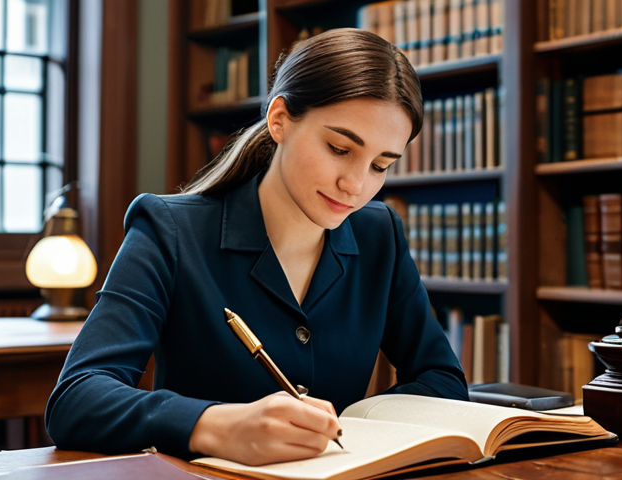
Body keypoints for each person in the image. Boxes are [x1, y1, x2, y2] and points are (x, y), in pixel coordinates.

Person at [45, 27, 468, 467]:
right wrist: (217, 426)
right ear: (280, 118)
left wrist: (353, 425)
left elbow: (441, 378)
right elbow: (77, 399)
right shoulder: (168, 229)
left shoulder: (380, 233)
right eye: (340, 148)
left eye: (381, 165)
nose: (357, 186)